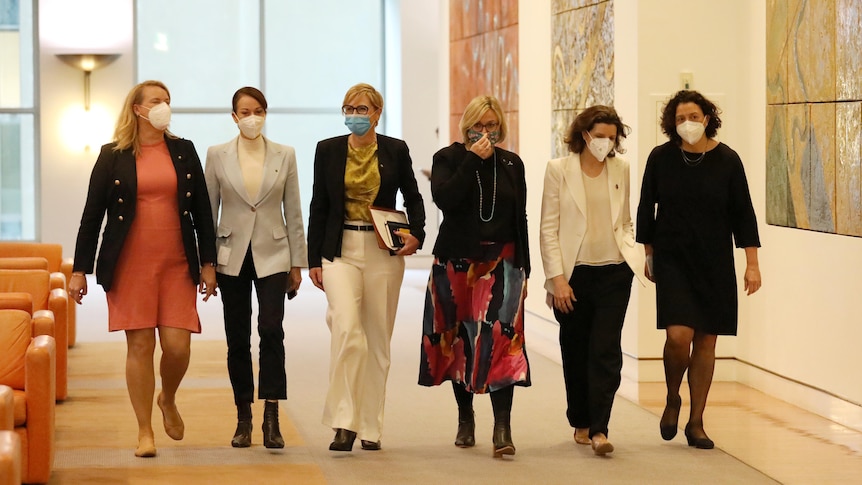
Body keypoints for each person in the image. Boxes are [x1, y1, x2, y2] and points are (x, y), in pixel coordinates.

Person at [69, 80, 218, 458]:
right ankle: (144, 431)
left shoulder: (184, 151)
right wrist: (80, 269)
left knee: (178, 346)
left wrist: (209, 263)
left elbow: (202, 210)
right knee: (140, 345)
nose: (164, 106)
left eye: (167, 100)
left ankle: (166, 397)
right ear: (137, 109)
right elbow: (92, 216)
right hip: (130, 264)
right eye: (156, 100)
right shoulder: (112, 155)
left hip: (176, 262)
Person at [636, 90, 761, 449]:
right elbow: (647, 207)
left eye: (693, 116)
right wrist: (649, 254)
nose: (686, 123)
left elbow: (744, 214)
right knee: (678, 336)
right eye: (678, 118)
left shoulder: (728, 160)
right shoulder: (661, 158)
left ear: (707, 117)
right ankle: (673, 396)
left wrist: (752, 264)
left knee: (707, 340)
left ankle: (696, 421)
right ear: (671, 123)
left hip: (715, 260)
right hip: (673, 259)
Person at [307, 83, 426, 452]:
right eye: (348, 108)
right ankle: (344, 422)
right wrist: (314, 259)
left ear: (377, 112)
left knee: (377, 339)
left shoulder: (395, 149)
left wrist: (416, 234)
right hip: (340, 250)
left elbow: (413, 194)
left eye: (362, 109)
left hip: (381, 251)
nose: (355, 115)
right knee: (347, 329)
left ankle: (371, 424)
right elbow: (319, 205)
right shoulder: (327, 150)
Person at [419, 95, 530, 458]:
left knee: (503, 337)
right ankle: (465, 417)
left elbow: (521, 219)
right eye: (478, 126)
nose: (485, 132)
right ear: (466, 126)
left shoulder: (512, 163)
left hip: (503, 262)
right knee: (460, 340)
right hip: (457, 264)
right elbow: (446, 200)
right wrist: (471, 160)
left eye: (491, 125)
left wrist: (525, 269)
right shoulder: (448, 158)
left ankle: (503, 426)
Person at [539, 106, 647, 456]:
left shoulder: (621, 169)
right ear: (584, 135)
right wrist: (557, 279)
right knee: (575, 349)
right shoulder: (559, 170)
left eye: (611, 137)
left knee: (605, 349)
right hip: (575, 274)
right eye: (600, 136)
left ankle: (600, 428)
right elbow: (548, 229)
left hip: (615, 272)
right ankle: (581, 419)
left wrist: (632, 255)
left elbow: (625, 220)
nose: (605, 143)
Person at [204, 87, 307, 449]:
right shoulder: (217, 155)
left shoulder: (285, 154)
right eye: (245, 111)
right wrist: (207, 264)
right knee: (237, 337)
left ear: (266, 113)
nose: (252, 117)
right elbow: (208, 213)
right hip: (231, 253)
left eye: (258, 110)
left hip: (274, 252)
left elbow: (293, 210)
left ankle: (271, 416)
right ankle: (243, 416)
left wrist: (298, 263)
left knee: (271, 329)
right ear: (234, 116)